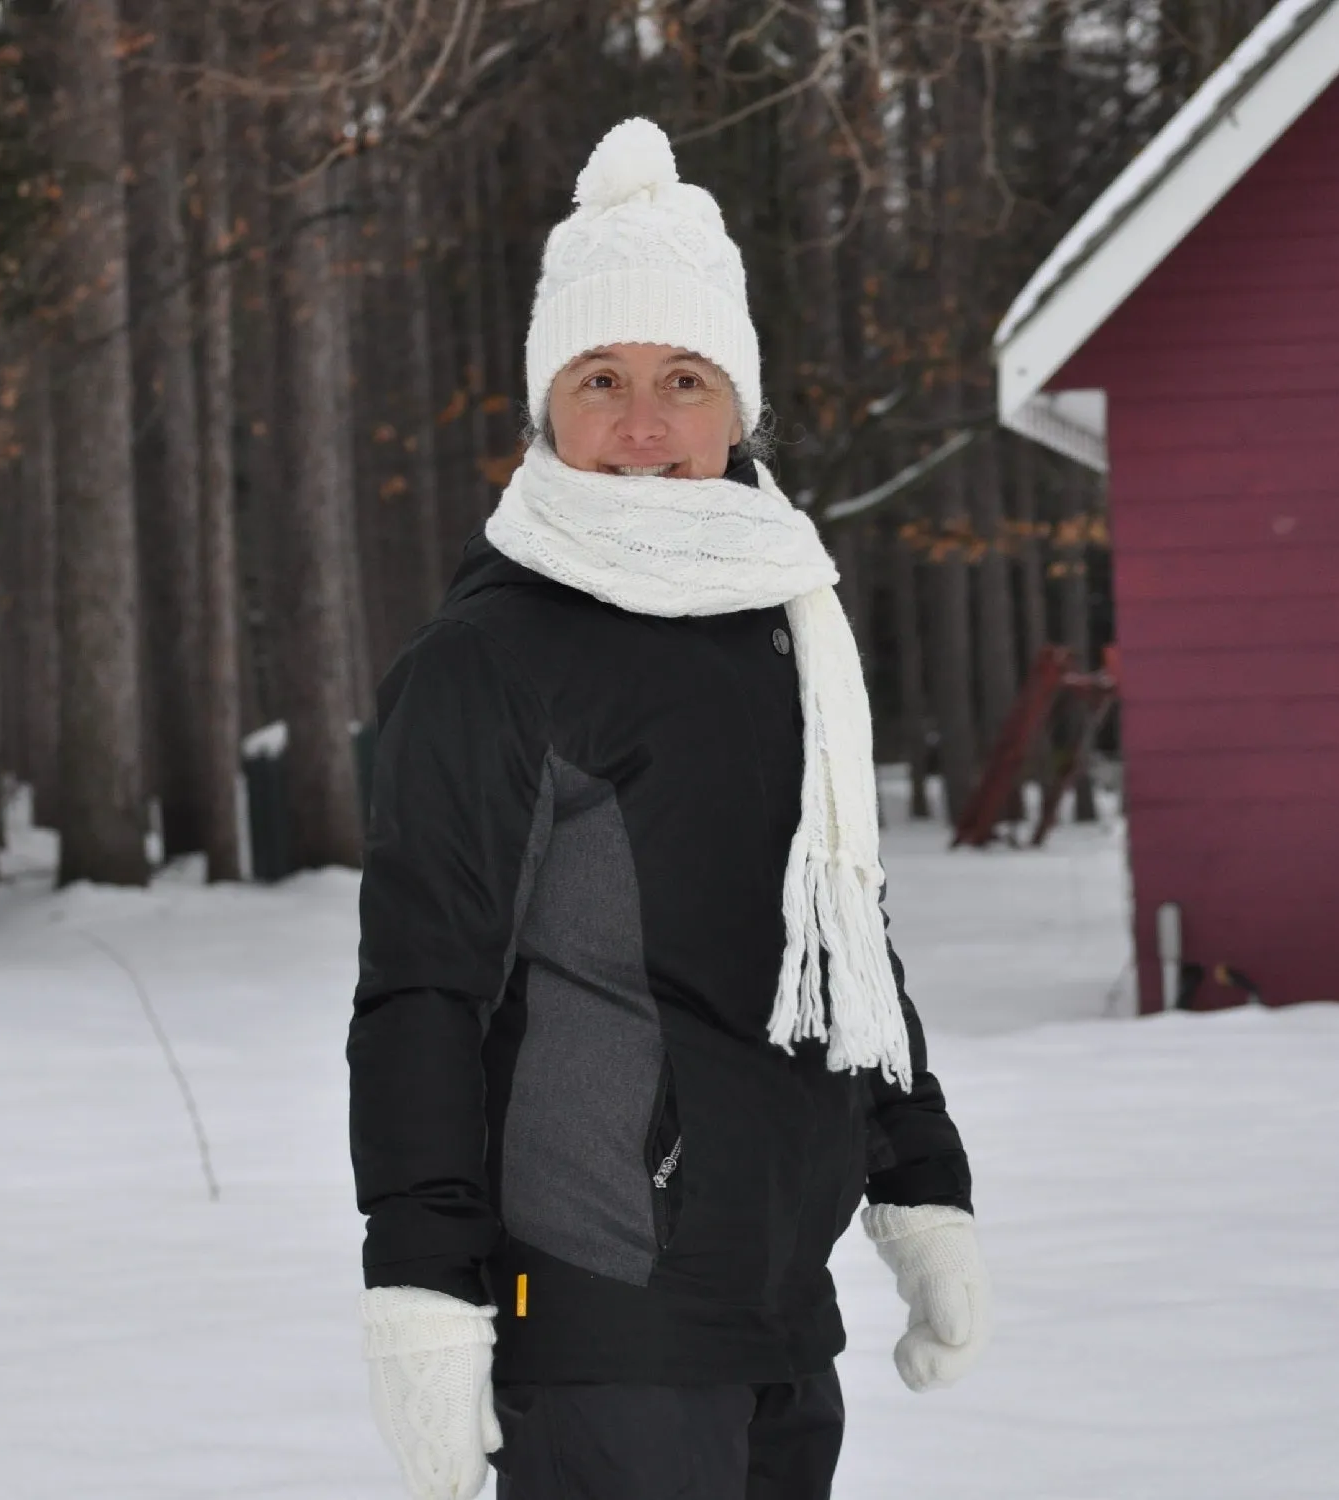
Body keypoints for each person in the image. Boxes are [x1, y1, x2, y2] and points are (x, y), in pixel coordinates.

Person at [348, 117, 990, 1500]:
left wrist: (917, 1177)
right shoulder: (490, 657)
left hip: (773, 1316)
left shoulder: (781, 620)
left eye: (684, 378)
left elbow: (840, 942)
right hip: (597, 1327)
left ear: (742, 405)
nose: (644, 423)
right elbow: (421, 992)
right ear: (545, 411)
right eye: (602, 379)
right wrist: (421, 1286)